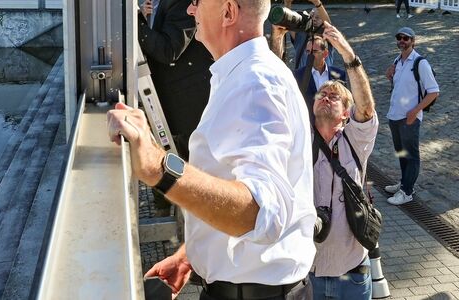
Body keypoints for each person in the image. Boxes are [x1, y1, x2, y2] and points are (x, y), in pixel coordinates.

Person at [108, 0, 315, 299]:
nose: (191, 11)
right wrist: (195, 249)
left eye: (196, 2)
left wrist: (158, 166)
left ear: (228, 11)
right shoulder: (244, 74)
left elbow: (259, 214)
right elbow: (233, 180)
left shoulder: (254, 83)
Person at [309, 21, 378, 300]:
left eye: (334, 96)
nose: (326, 97)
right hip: (307, 271)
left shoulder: (356, 140)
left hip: (352, 274)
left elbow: (366, 106)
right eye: (321, 94)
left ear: (346, 114)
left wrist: (348, 55)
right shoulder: (300, 140)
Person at [139, 0, 214, 216]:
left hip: (186, 100)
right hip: (176, 96)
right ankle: (167, 208)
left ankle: (187, 222)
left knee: (186, 162)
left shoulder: (182, 3)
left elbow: (168, 50)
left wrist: (135, 23)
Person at [383, 27, 439, 205]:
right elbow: (400, 87)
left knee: (412, 156)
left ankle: (407, 191)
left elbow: (433, 92)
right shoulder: (397, 60)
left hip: (410, 118)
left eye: (406, 38)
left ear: (413, 41)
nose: (402, 40)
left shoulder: (420, 62)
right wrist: (389, 75)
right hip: (394, 115)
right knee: (402, 153)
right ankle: (404, 182)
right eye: (399, 37)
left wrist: (415, 111)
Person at [269, 0, 334, 70]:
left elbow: (328, 25)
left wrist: (317, 3)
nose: (314, 19)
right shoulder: (301, 36)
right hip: (302, 79)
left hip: (324, 79)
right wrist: (287, 3)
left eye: (317, 17)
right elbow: (287, 23)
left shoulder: (327, 39)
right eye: (312, 16)